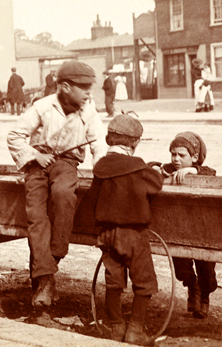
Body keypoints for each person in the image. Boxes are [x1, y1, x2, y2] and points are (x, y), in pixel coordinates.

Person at [6, 60, 106, 307]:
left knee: (63, 195)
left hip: (66, 164)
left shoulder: (88, 110)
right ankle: (46, 281)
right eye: (83, 87)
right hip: (37, 165)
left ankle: (51, 263)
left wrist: (103, 172)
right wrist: (35, 155)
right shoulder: (42, 107)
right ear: (64, 87)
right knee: (36, 213)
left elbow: (99, 143)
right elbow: (15, 136)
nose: (88, 93)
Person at [84, 113, 164, 344]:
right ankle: (135, 330)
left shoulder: (100, 167)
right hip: (133, 235)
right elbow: (155, 184)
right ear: (134, 142)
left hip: (107, 234)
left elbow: (92, 198)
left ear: (110, 139)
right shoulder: (138, 167)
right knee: (145, 281)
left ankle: (117, 327)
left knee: (114, 282)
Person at [159, 131, 217, 319]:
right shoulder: (169, 168)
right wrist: (159, 169)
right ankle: (192, 286)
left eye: (181, 155)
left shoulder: (203, 171)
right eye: (173, 154)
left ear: (194, 157)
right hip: (180, 228)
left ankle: (204, 295)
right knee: (181, 266)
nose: (176, 159)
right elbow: (153, 166)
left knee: (206, 268)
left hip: (203, 229)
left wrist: (194, 170)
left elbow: (211, 173)